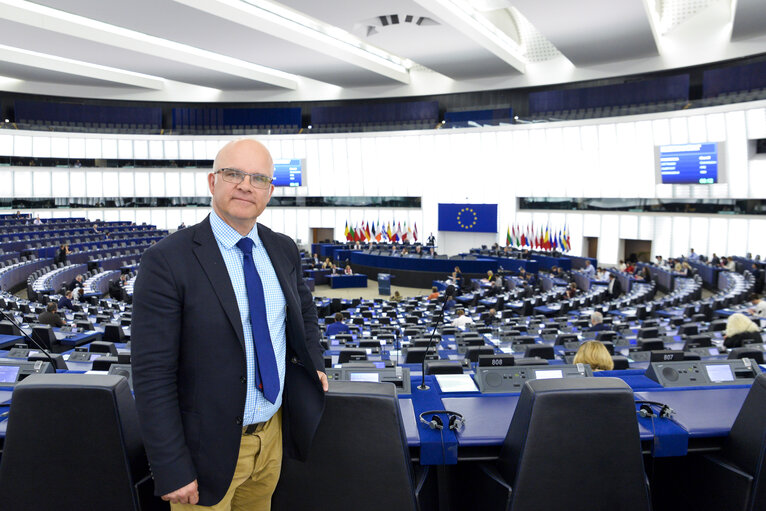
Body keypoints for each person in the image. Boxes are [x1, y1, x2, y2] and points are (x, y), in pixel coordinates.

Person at [132, 139, 328, 509]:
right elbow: (151, 374)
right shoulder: (167, 260)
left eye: (257, 178)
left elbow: (304, 315)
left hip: (271, 439)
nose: (245, 185)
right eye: (233, 174)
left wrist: (314, 363)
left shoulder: (283, 248)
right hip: (205, 453)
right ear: (212, 182)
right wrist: (172, 466)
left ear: (270, 191)